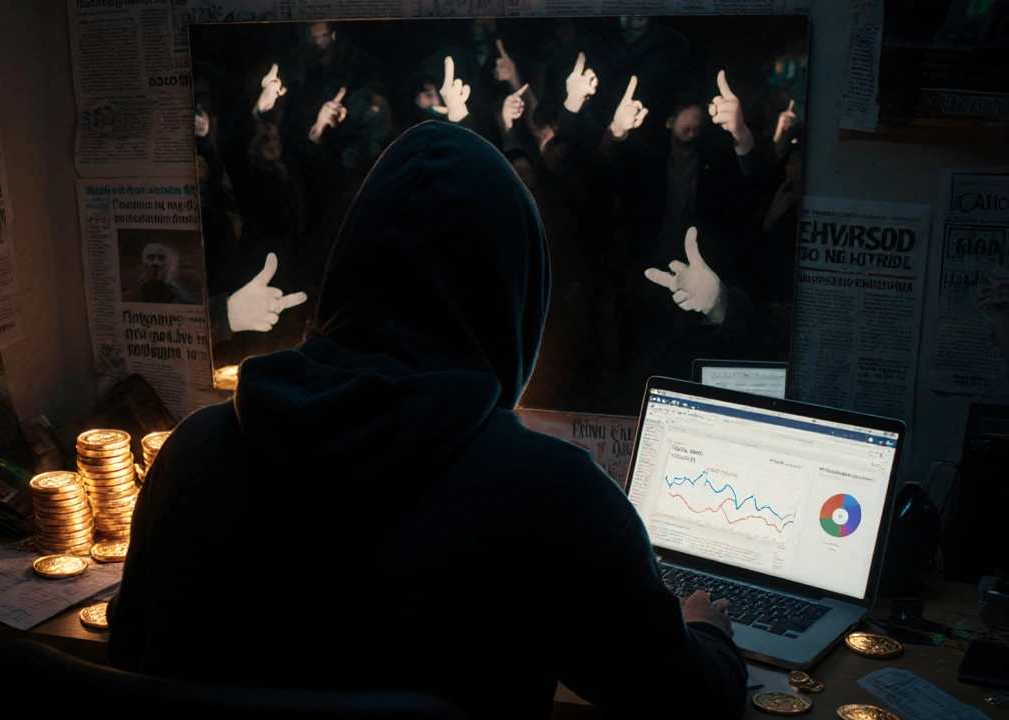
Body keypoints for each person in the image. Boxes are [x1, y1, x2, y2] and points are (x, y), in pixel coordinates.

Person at [107, 121, 747, 719]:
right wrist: (709, 633)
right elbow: (691, 703)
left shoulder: (191, 453)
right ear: (515, 298)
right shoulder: (557, 500)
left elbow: (126, 655)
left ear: (345, 269)